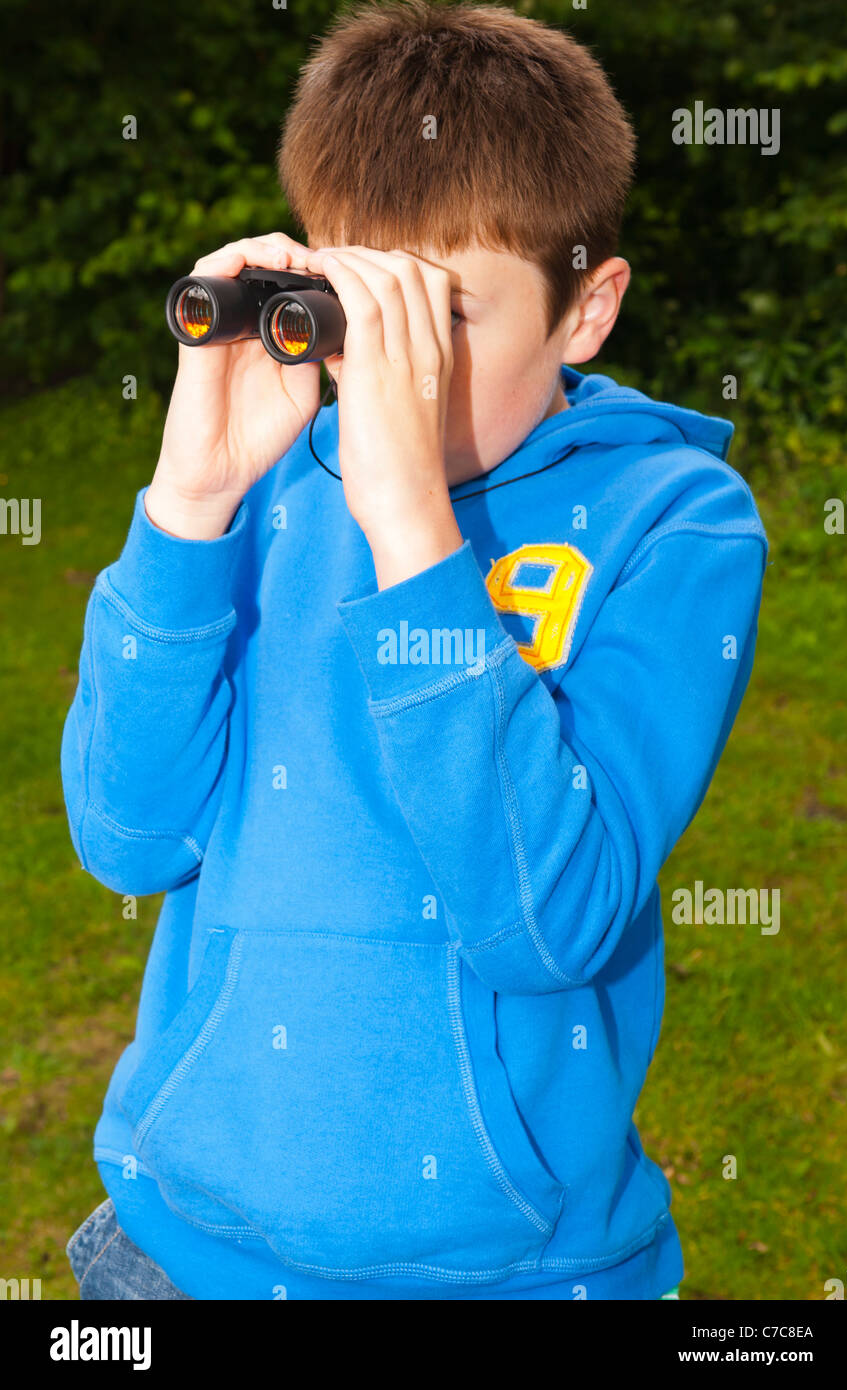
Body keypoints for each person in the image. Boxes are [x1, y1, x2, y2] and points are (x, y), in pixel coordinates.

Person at [61, 0, 767, 1300]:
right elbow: (127, 836)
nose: (389, 373)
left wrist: (409, 534)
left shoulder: (673, 523)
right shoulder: (270, 489)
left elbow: (550, 922)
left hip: (503, 1271)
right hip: (180, 1253)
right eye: (358, 306)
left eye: (438, 314)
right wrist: (188, 506)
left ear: (586, 310)